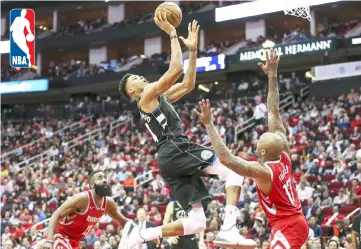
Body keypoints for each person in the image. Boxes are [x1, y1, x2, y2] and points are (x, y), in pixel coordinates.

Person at [119, 13, 253, 249]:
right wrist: (172, 33)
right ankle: (229, 230)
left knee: (196, 222)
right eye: (135, 79)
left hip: (169, 158)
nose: (141, 77)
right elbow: (174, 70)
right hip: (175, 149)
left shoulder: (158, 97)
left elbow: (188, 84)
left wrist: (192, 51)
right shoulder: (146, 97)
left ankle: (142, 235)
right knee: (235, 169)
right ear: (132, 91)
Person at [194, 50, 309, 249]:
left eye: (258, 143)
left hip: (289, 226)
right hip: (291, 223)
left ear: (262, 152)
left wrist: (209, 125)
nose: (256, 144)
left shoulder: (264, 171)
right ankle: (229, 229)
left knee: (233, 170)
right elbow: (273, 112)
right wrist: (272, 76)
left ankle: (229, 228)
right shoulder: (284, 155)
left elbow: (228, 160)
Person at [40, 170, 131, 249]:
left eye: (104, 178)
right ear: (92, 185)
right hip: (60, 236)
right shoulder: (82, 198)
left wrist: (137, 229)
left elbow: (123, 221)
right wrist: (49, 241)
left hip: (75, 241)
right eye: (99, 178)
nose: (104, 180)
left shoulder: (109, 203)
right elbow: (55, 214)